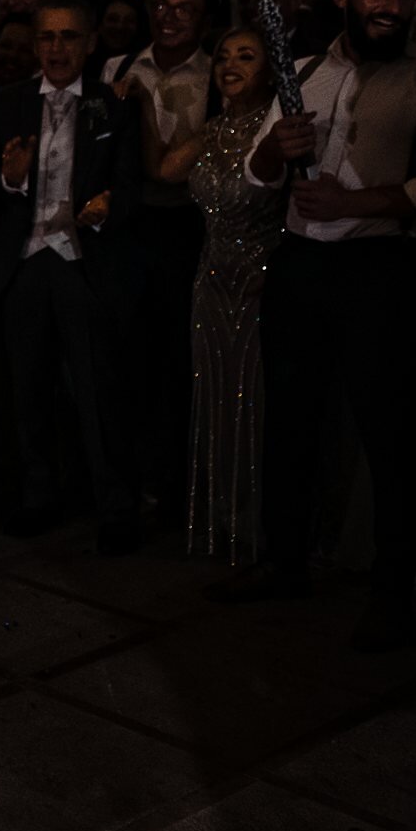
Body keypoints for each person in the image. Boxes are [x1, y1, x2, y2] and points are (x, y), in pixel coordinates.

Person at [217, 0, 416, 652]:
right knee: (291, 422)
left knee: (388, 435)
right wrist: (278, 149)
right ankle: (285, 562)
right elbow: (253, 176)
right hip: (302, 265)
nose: (389, 6)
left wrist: (361, 198)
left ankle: (391, 592)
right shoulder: (304, 70)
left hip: (382, 269)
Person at [0, 0, 143, 552]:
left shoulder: (112, 106)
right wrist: (10, 177)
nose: (57, 48)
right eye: (47, 37)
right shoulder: (7, 102)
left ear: (90, 43)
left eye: (69, 37)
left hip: (82, 259)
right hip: (23, 261)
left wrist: (108, 206)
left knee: (99, 392)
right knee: (27, 390)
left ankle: (116, 506)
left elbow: (131, 185)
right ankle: (38, 497)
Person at [135, 28, 280, 562]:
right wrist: (147, 106)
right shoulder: (214, 130)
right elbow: (163, 169)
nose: (230, 64)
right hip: (210, 282)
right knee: (217, 400)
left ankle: (265, 529)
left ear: (269, 70)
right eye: (223, 56)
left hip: (262, 281)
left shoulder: (276, 130)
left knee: (258, 403)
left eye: (246, 56)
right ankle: (225, 520)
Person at [104, 0, 215, 524]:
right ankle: (127, 486)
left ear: (204, 19)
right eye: (161, 5)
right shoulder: (117, 68)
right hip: (129, 225)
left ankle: (174, 486)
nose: (168, 17)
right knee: (127, 358)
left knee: (179, 361)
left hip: (190, 227)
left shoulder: (218, 75)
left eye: (184, 9)